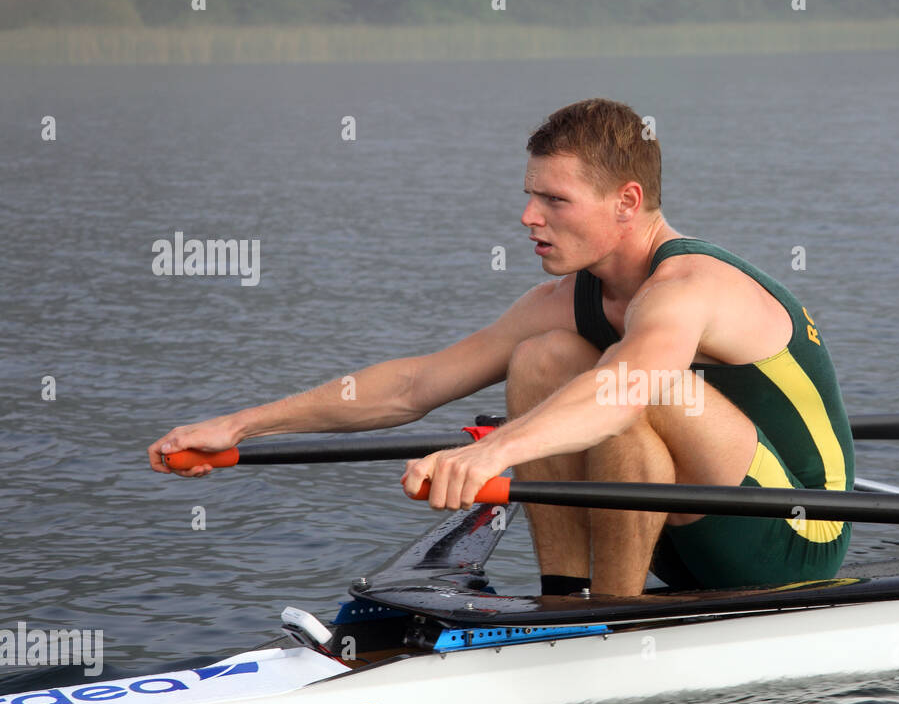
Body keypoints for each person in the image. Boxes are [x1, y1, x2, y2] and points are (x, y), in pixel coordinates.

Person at [148, 97, 853, 597]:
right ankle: (567, 597)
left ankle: (612, 625)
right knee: (541, 358)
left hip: (795, 535)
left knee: (635, 389)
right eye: (529, 195)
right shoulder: (566, 301)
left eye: (554, 200)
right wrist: (241, 425)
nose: (528, 216)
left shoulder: (688, 286)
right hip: (679, 531)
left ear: (628, 202)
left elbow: (627, 389)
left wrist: (492, 451)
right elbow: (411, 387)